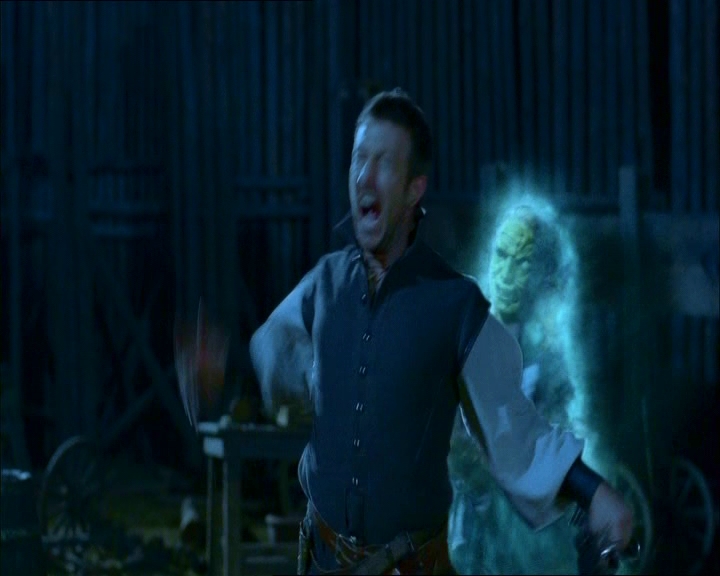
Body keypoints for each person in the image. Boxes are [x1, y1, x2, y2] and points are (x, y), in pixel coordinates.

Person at [249, 89, 633, 575]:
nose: (365, 176)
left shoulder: (455, 306)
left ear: (414, 190)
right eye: (359, 159)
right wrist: (300, 366)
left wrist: (594, 493)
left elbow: (514, 429)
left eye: (384, 163)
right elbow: (271, 341)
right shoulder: (324, 282)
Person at [448, 203, 587, 574]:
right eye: (502, 255)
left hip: (530, 529)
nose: (506, 274)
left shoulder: (548, 357)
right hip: (472, 519)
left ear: (538, 273)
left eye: (521, 262)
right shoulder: (464, 335)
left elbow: (557, 437)